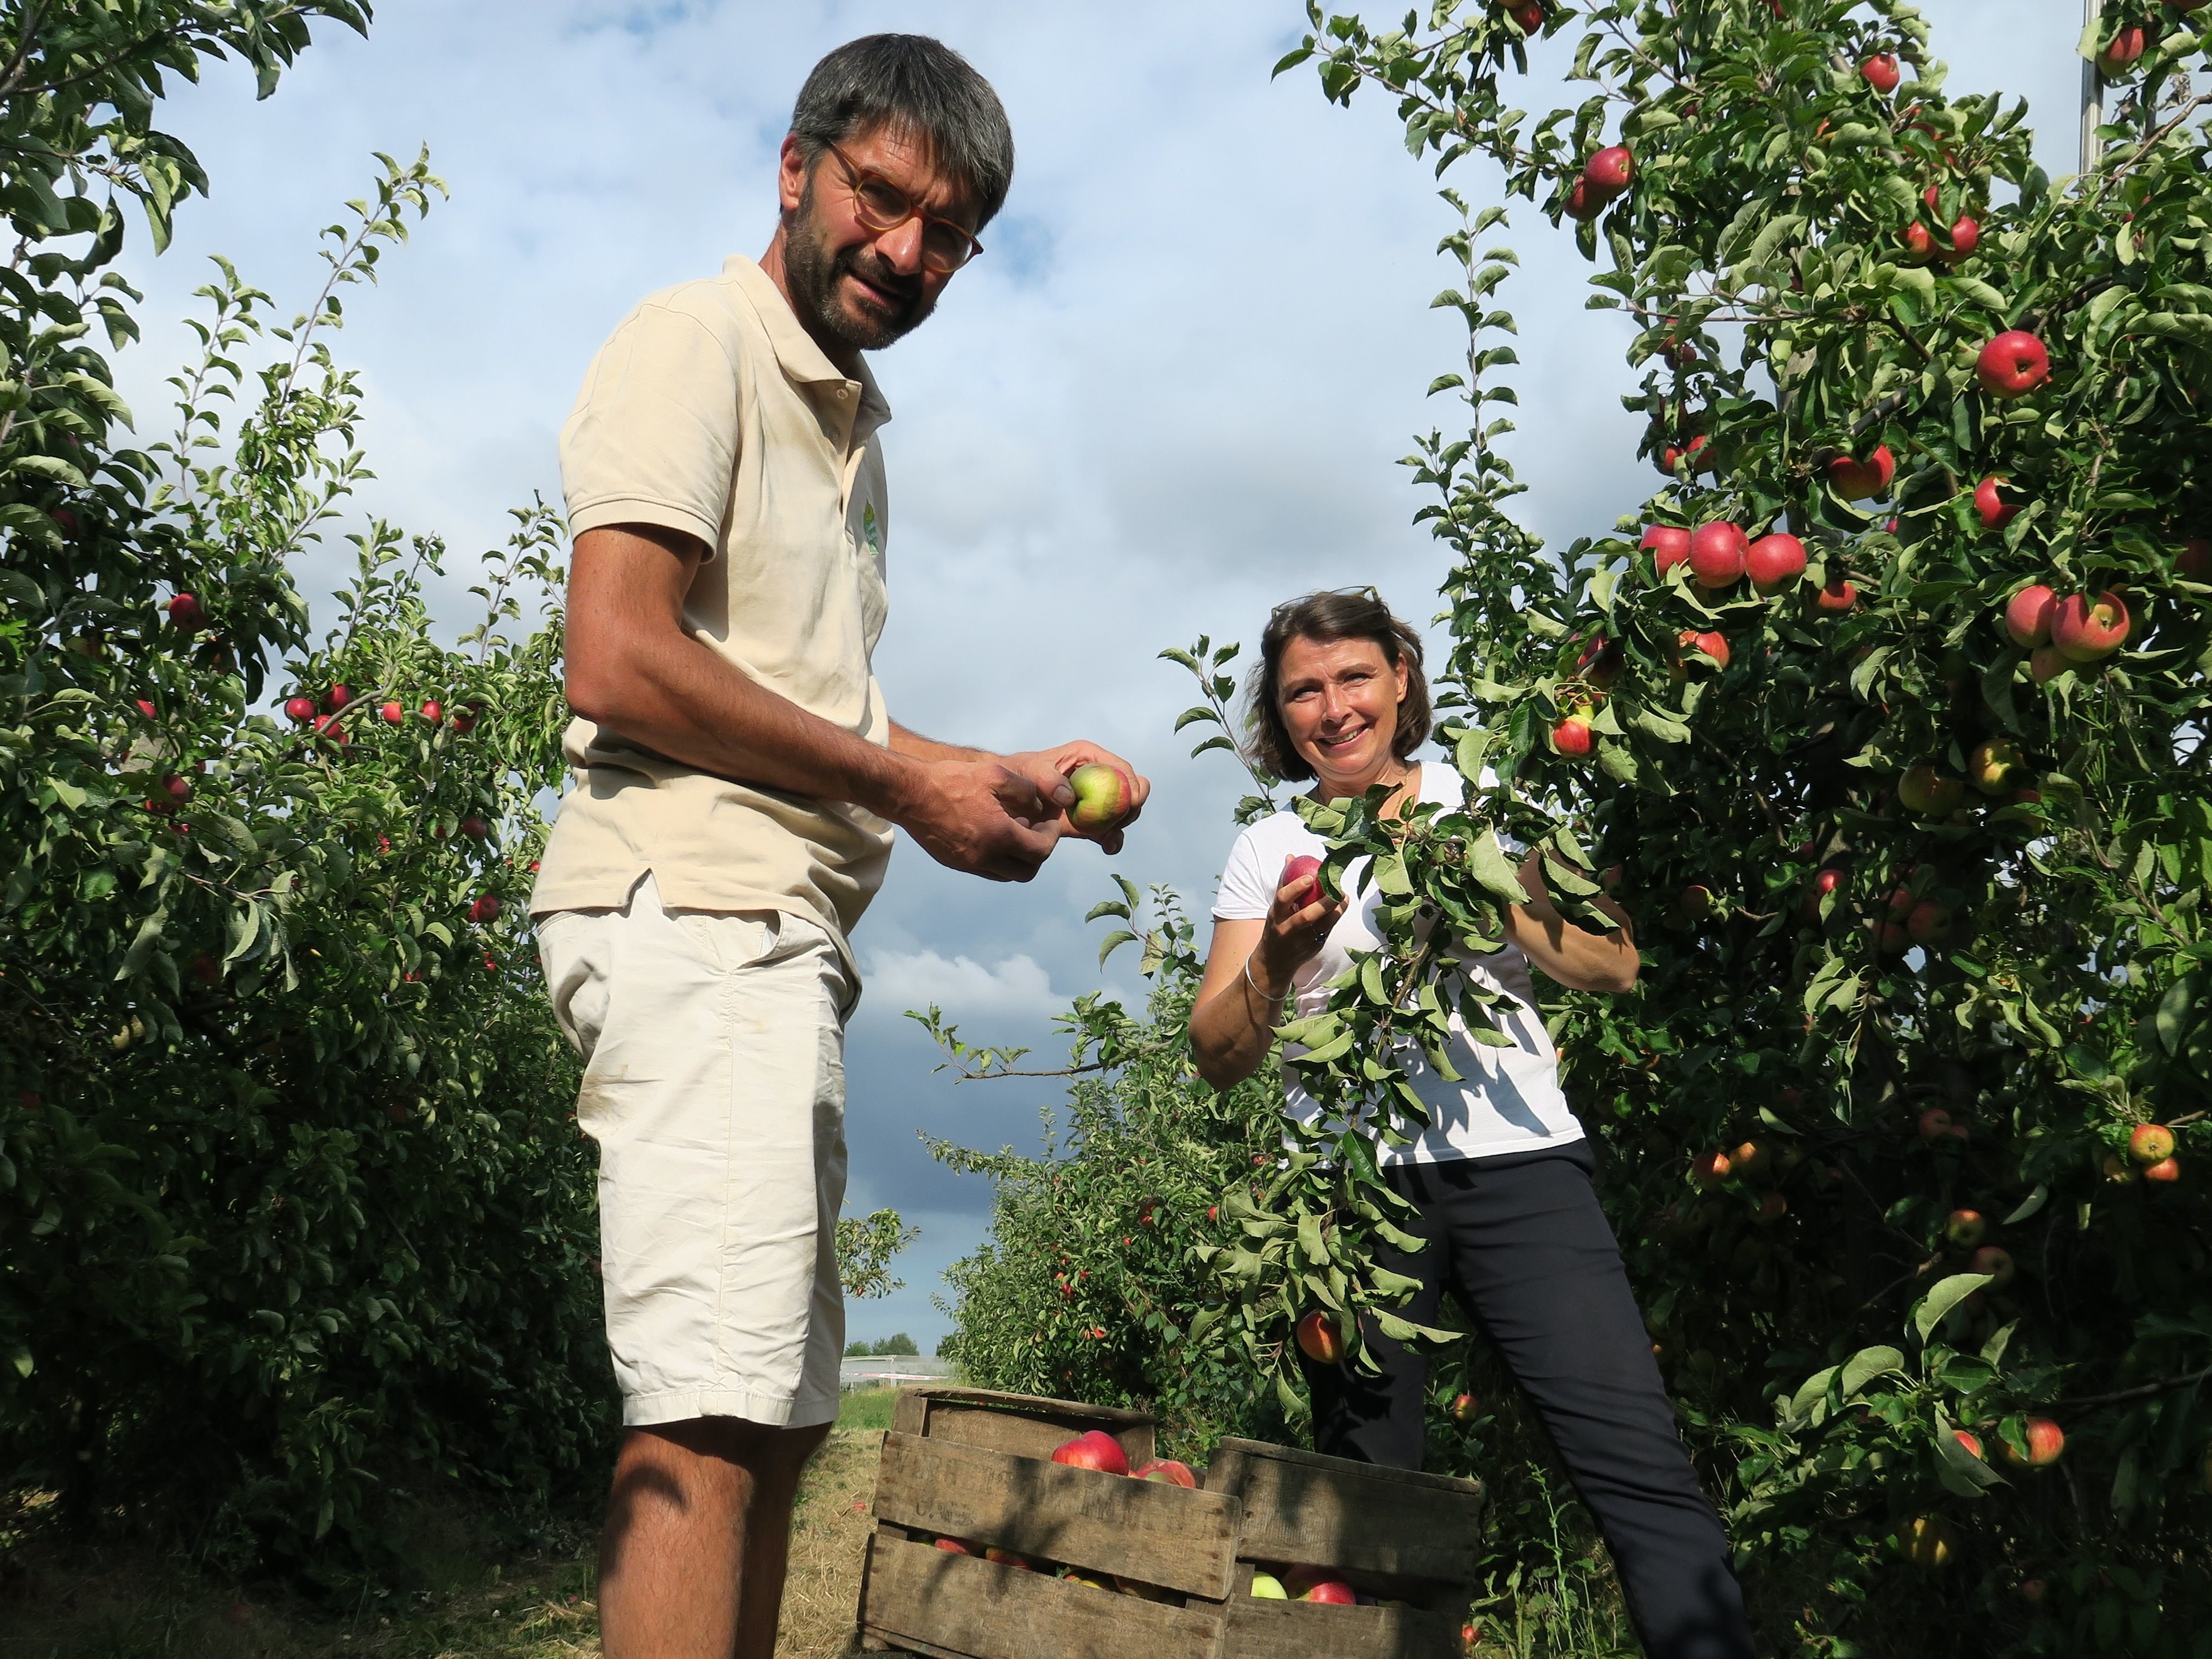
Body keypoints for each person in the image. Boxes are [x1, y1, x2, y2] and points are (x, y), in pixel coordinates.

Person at [530, 36, 1147, 1659]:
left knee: (782, 1412)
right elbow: (619, 652)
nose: (905, 250)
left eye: (947, 233)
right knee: (703, 1419)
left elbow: (813, 704)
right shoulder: (695, 343)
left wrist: (983, 775)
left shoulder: (849, 420)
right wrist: (900, 784)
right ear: (795, 167)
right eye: (882, 198)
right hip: (699, 908)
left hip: (777, 934)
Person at [1187, 589, 1755, 1659]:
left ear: (1401, 677)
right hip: (1348, 1198)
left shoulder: (1492, 797)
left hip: (1519, 1171)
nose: (1332, 707)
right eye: (1302, 690)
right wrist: (1274, 954)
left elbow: (1615, 962)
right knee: (1363, 1506)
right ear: (1278, 712)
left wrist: (1485, 886)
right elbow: (1217, 1054)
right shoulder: (1269, 849)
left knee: (1636, 1468)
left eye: (1353, 677)